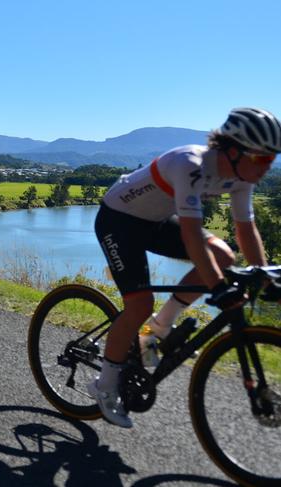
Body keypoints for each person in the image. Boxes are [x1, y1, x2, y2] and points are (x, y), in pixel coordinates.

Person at [89, 107, 281, 428]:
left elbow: (245, 230)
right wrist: (218, 288)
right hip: (118, 220)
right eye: (262, 158)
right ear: (233, 150)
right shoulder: (189, 164)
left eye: (272, 159)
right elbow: (191, 234)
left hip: (154, 222)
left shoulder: (241, 177)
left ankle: (158, 328)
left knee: (222, 256)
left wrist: (262, 274)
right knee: (138, 304)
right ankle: (104, 386)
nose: (267, 167)